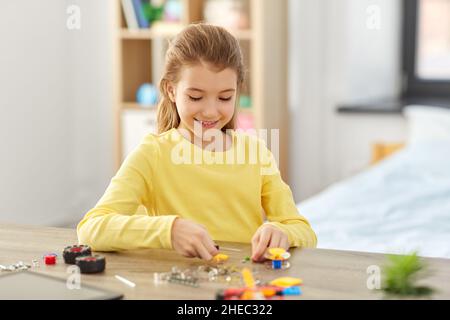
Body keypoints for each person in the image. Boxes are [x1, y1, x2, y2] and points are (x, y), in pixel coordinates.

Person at [77, 23, 316, 262]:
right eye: (195, 97)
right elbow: (91, 228)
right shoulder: (153, 154)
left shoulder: (255, 152)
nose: (211, 111)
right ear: (171, 90)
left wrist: (282, 232)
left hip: (241, 285)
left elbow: (304, 232)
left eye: (225, 97)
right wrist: (168, 230)